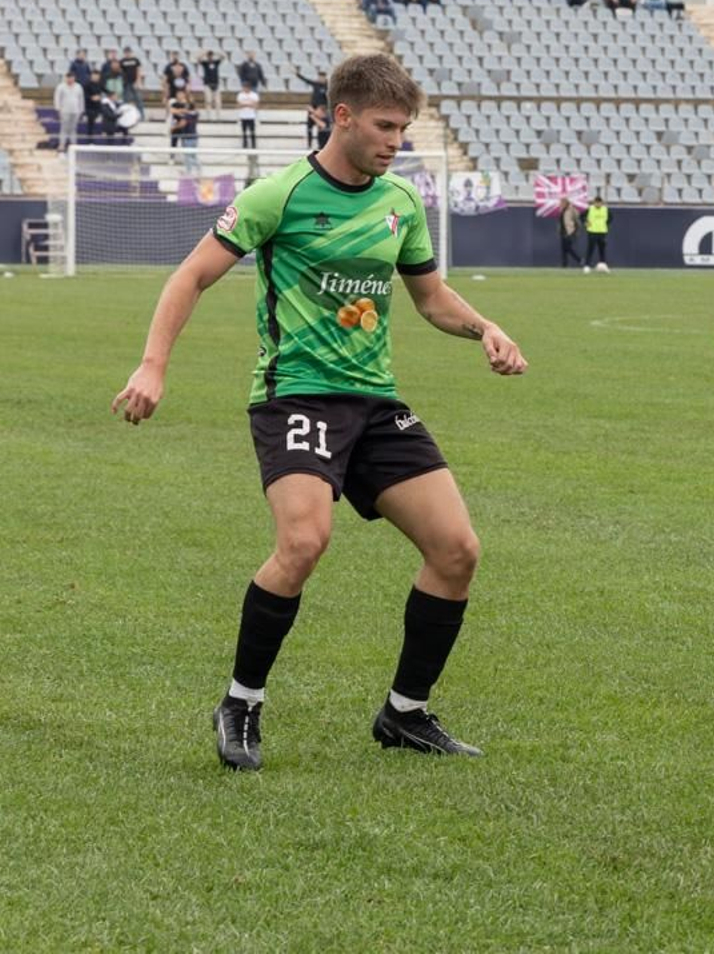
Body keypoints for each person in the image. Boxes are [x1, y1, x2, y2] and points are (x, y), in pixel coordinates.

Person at [112, 53, 529, 773]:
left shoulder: (400, 201)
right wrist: (153, 364)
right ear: (342, 116)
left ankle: (405, 713)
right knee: (304, 541)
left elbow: (431, 298)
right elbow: (192, 275)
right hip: (296, 395)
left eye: (403, 128)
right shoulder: (280, 195)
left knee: (457, 550)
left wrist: (484, 328)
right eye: (384, 125)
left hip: (375, 402)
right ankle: (241, 702)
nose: (396, 140)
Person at [296, 66, 330, 147]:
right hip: (313, 108)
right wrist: (298, 74)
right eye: (319, 77)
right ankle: (309, 144)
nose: (320, 79)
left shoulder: (327, 87)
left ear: (325, 78)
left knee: (322, 128)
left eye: (322, 77)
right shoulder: (316, 84)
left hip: (322, 110)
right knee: (309, 127)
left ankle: (323, 144)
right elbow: (306, 80)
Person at [168, 89, 200, 172]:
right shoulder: (194, 113)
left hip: (187, 134)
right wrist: (182, 110)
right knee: (174, 143)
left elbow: (182, 123)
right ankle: (197, 169)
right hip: (192, 135)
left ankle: (190, 170)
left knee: (188, 153)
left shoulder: (188, 114)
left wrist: (174, 127)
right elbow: (172, 111)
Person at [53, 72, 83, 152]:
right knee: (64, 128)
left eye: (72, 78)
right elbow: (57, 98)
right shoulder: (61, 87)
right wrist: (58, 109)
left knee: (73, 128)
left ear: (74, 78)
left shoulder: (78, 87)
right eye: (68, 78)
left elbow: (81, 99)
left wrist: (81, 110)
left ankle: (74, 145)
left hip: (75, 110)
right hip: (64, 110)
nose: (70, 79)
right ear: (66, 78)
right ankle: (62, 145)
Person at [583, 194, 610, 272]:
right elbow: (582, 216)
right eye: (596, 202)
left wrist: (605, 225)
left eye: (599, 202)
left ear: (601, 203)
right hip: (592, 232)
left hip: (602, 232)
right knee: (590, 249)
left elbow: (610, 218)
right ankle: (587, 265)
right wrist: (586, 223)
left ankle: (603, 265)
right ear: (594, 202)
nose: (598, 204)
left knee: (602, 250)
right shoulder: (590, 209)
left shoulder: (605, 209)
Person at [119, 47, 144, 115]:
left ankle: (141, 115)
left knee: (138, 99)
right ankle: (126, 115)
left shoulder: (135, 60)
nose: (127, 54)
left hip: (135, 82)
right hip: (126, 83)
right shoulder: (122, 61)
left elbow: (139, 70)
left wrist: (138, 81)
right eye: (126, 52)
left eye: (128, 52)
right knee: (126, 99)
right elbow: (120, 72)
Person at [558, 197, 582, 268]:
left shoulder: (571, 209)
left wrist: (576, 229)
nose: (561, 204)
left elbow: (577, 218)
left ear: (566, 203)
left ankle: (579, 260)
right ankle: (564, 264)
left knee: (568, 248)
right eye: (561, 203)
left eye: (562, 202)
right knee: (563, 249)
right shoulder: (561, 210)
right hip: (563, 231)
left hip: (569, 231)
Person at [198, 50, 223, 118]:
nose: (210, 56)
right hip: (208, 83)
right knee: (208, 100)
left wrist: (216, 53)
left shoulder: (216, 62)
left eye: (211, 55)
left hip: (216, 83)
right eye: (209, 55)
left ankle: (218, 115)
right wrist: (204, 53)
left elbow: (223, 57)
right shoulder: (205, 63)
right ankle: (208, 114)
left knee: (217, 101)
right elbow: (198, 59)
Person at [237, 81, 260, 148]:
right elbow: (239, 105)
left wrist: (245, 104)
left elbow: (255, 105)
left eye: (246, 87)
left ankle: (253, 144)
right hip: (243, 116)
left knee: (252, 131)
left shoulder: (254, 95)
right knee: (244, 131)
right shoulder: (240, 95)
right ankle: (245, 143)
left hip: (251, 116)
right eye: (244, 87)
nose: (245, 89)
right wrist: (249, 104)